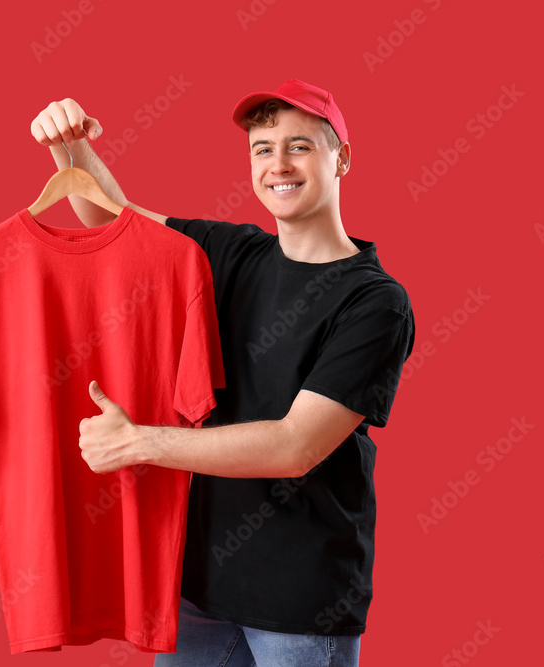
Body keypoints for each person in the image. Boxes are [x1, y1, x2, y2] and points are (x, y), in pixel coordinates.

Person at [30, 78, 415, 666]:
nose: (278, 164)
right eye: (263, 148)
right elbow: (115, 223)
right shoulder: (233, 253)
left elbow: (294, 446)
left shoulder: (375, 302)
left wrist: (137, 442)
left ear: (342, 159)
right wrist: (69, 145)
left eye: (300, 146)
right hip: (202, 591)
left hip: (302, 605)